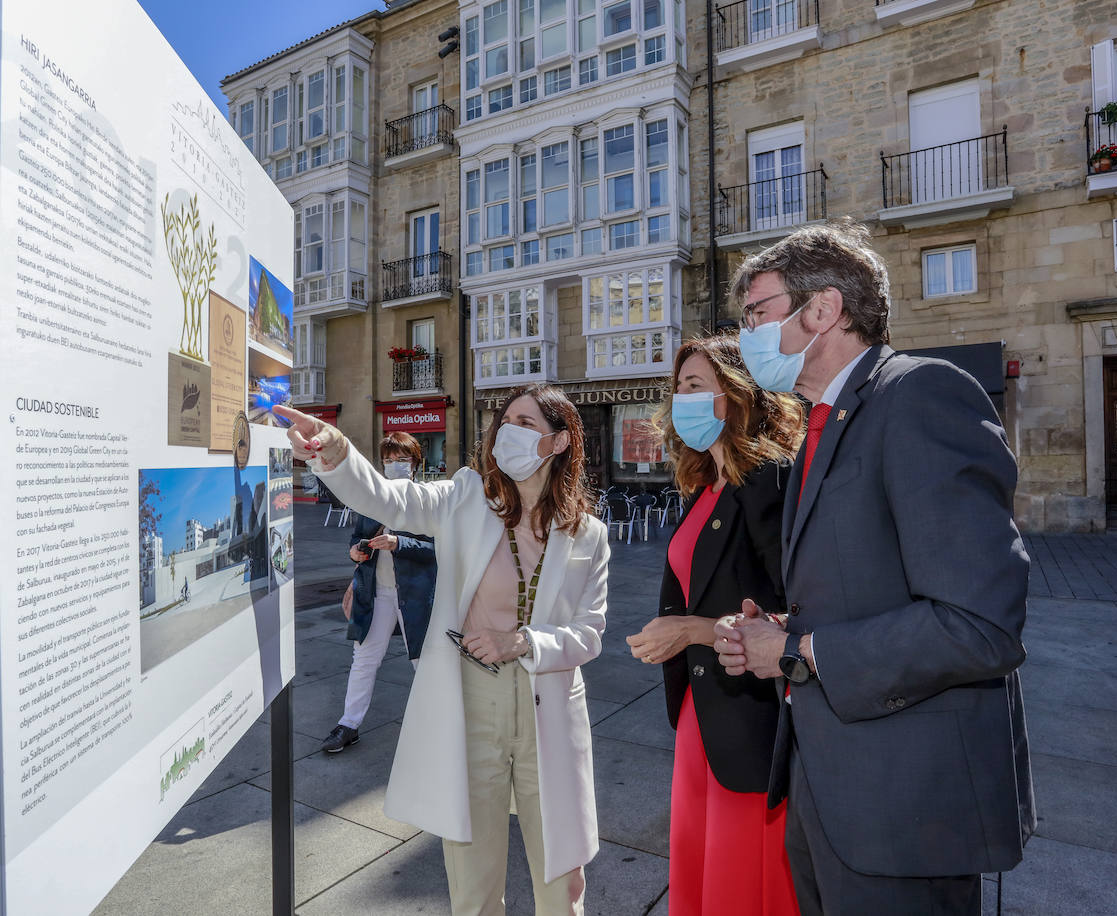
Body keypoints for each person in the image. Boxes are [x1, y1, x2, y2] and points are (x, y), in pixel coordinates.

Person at [713, 220, 1035, 915]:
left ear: (823, 309)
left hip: (902, 809)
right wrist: (784, 628)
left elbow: (980, 625)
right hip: (831, 788)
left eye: (758, 315)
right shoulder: (823, 424)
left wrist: (798, 650)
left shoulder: (920, 394)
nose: (746, 339)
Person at [274, 385, 608, 916]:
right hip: (471, 701)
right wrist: (334, 452)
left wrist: (523, 640)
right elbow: (389, 499)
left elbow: (590, 631)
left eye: (525, 423)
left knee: (561, 883)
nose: (506, 433)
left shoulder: (588, 534)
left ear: (559, 441)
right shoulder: (466, 496)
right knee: (471, 878)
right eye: (504, 422)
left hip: (549, 705)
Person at [625, 335, 805, 916]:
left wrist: (693, 631)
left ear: (734, 395)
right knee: (702, 868)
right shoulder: (707, 483)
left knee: (743, 879)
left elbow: (794, 610)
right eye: (678, 388)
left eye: (695, 386)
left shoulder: (770, 478)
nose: (682, 399)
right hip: (701, 714)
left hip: (749, 713)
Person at [320, 431, 437, 754]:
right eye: (388, 460)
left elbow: (439, 548)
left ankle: (439, 724)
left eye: (402, 460)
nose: (394, 466)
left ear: (415, 463)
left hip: (415, 593)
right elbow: (356, 538)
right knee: (364, 658)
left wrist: (401, 543)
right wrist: (356, 552)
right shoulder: (373, 500)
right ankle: (349, 723)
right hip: (377, 591)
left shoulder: (427, 498)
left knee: (423, 661)